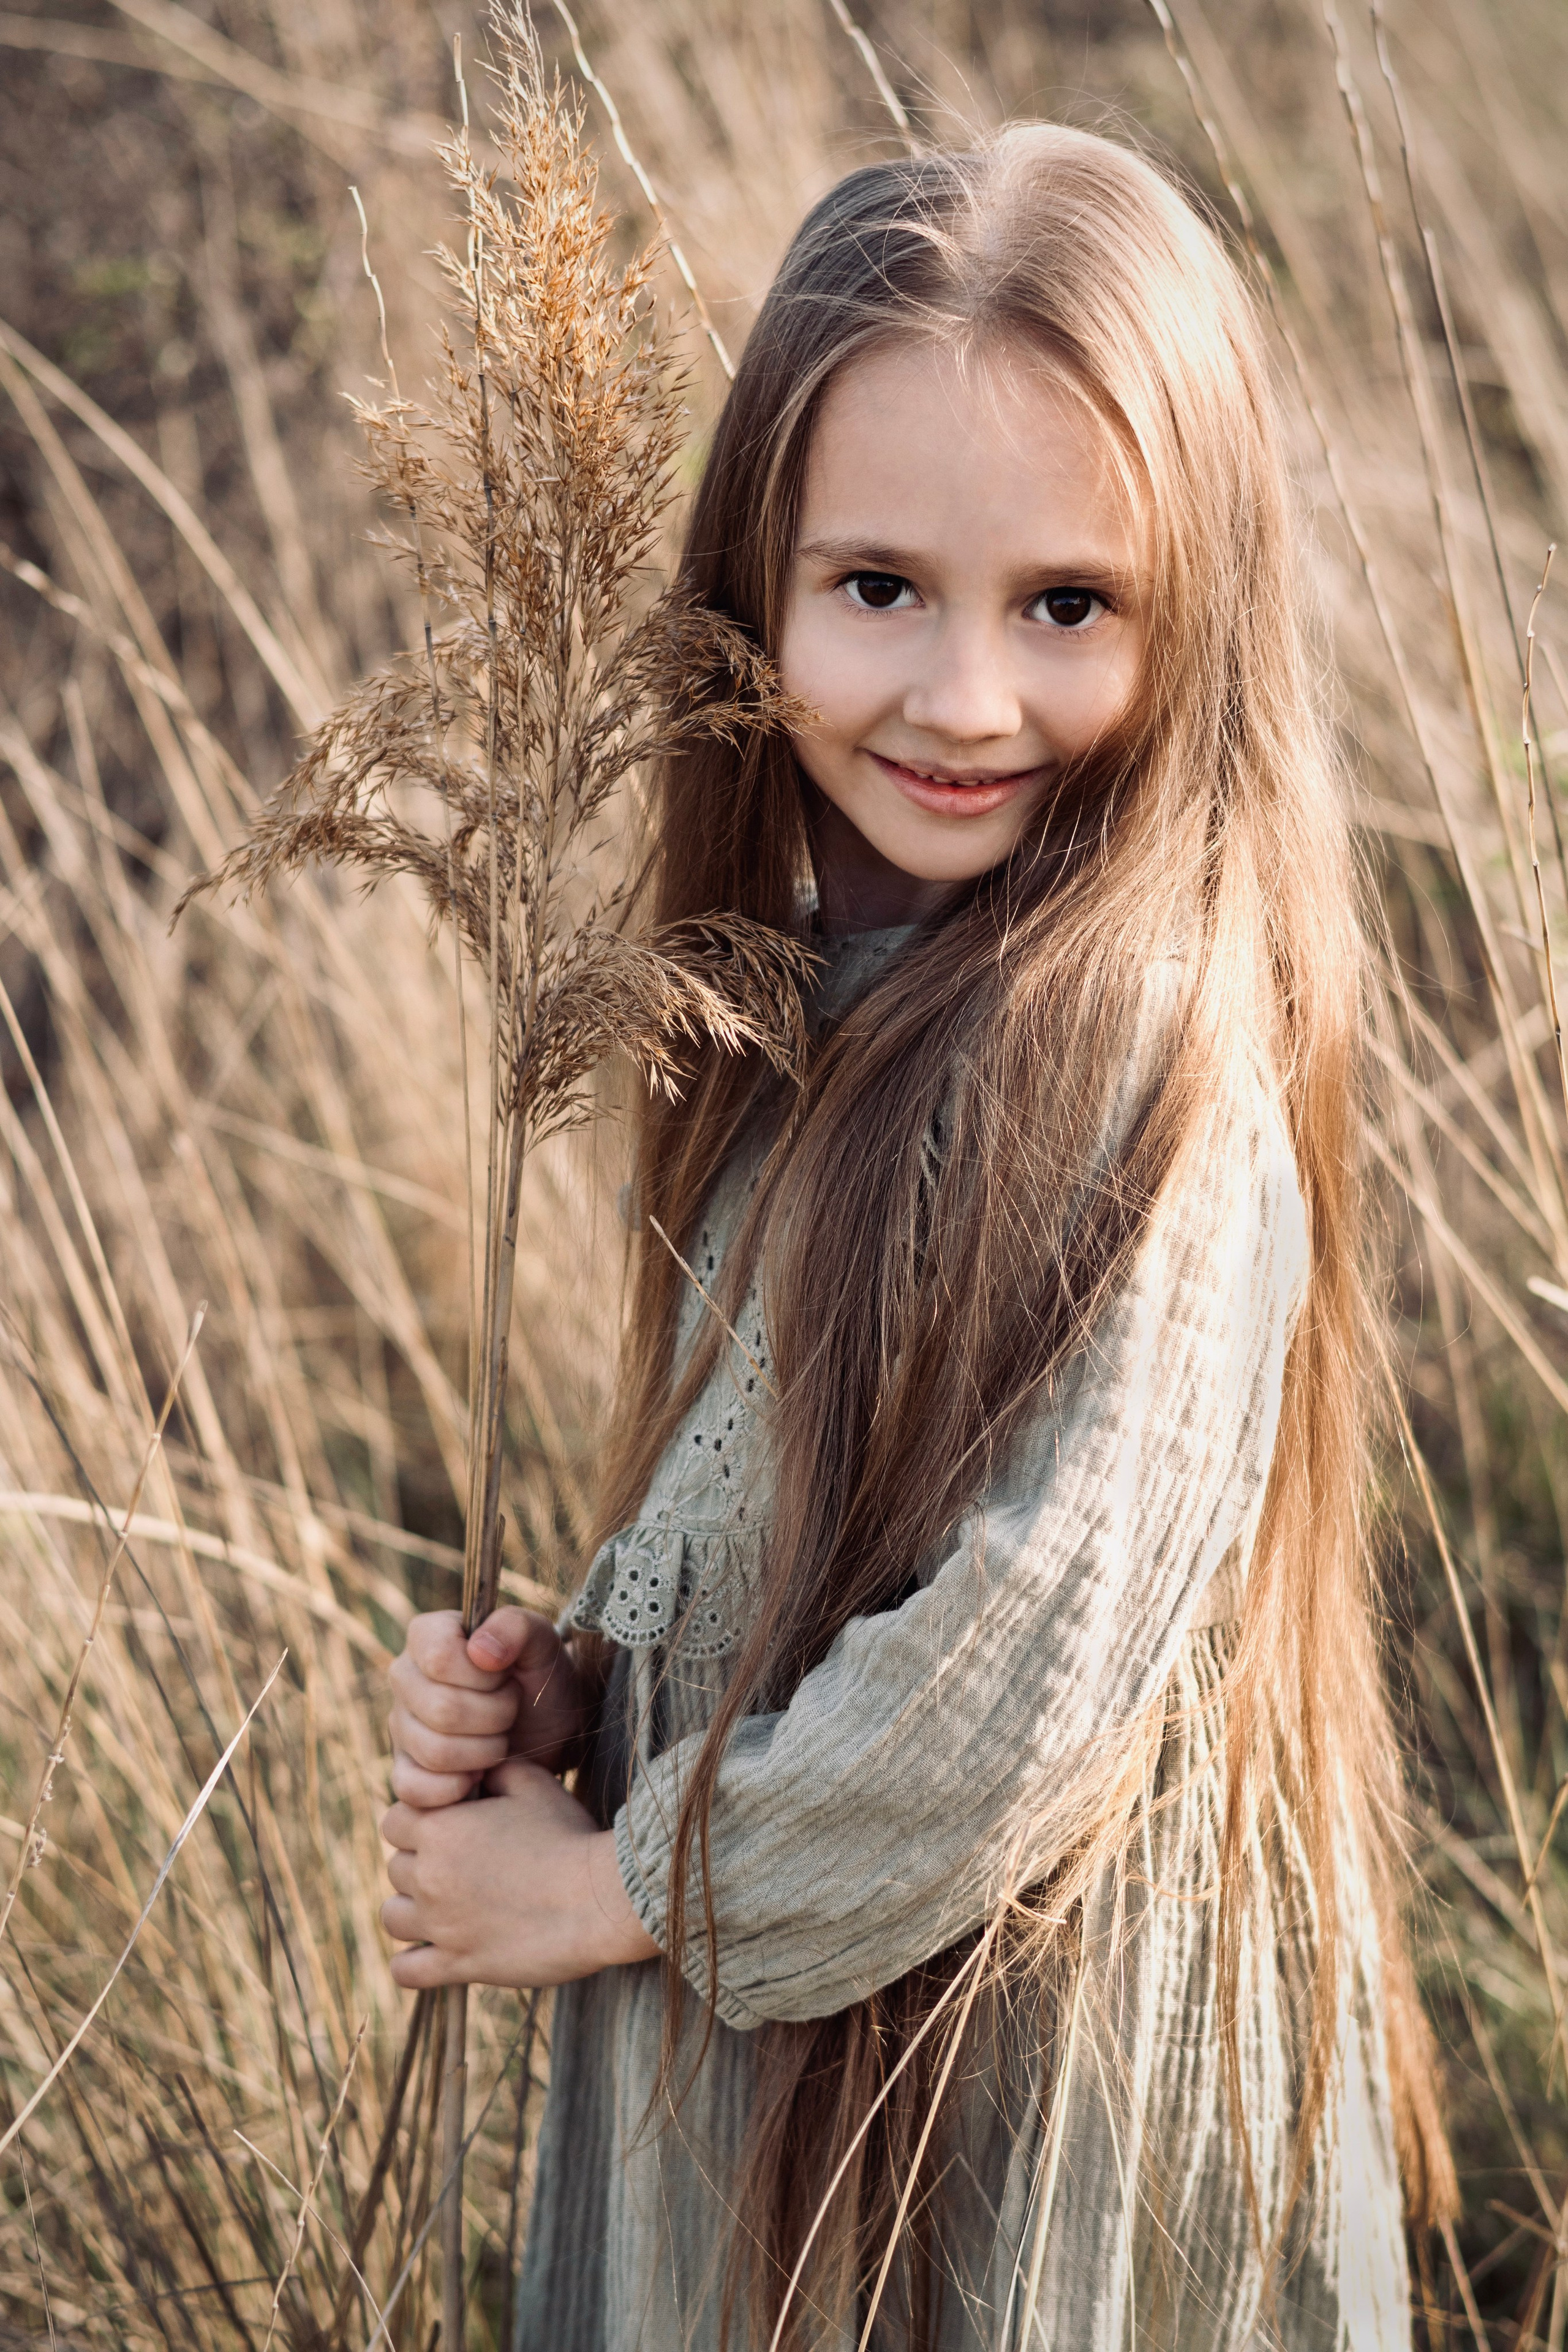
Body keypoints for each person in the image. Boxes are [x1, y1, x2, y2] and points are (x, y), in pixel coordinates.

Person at [378, 124, 1453, 2349]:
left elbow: (1010, 1675)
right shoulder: (804, 998)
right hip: (790, 2089)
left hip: (1006, 2122)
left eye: (1069, 607)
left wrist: (607, 1887)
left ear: (1199, 616)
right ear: (752, 581)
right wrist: (590, 1680)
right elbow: (790, 1468)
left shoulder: (1147, 1061)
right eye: (879, 587)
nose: (965, 700)